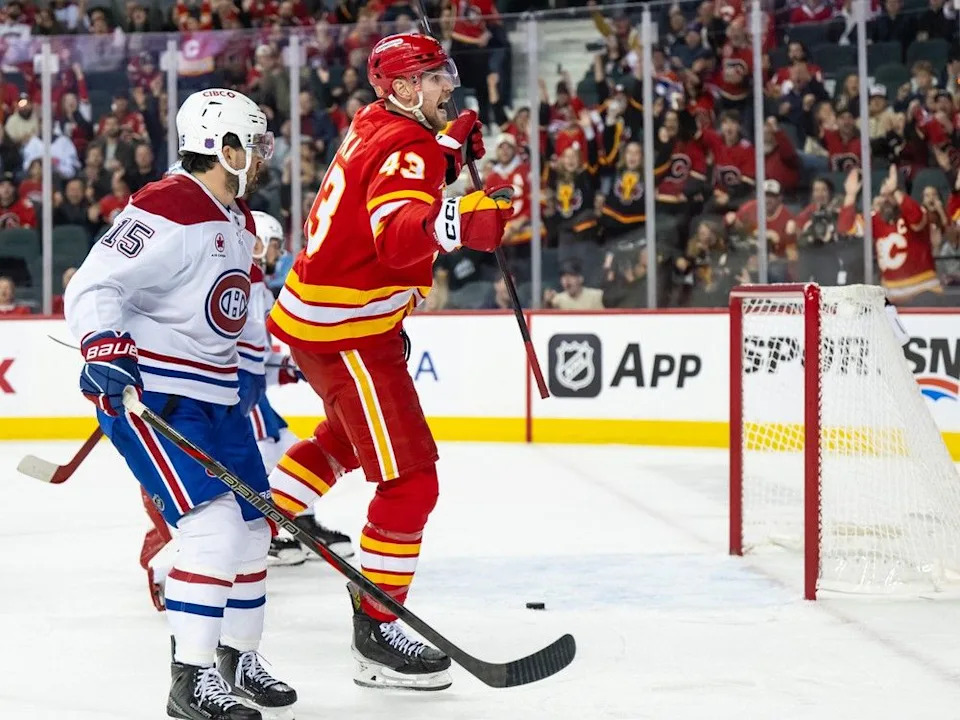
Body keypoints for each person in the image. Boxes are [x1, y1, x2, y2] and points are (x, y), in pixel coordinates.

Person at [265, 33, 513, 691]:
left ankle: (260, 525)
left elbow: (399, 175)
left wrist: (448, 151)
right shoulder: (404, 145)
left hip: (321, 319)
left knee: (344, 440)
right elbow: (399, 235)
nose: (446, 87)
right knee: (411, 481)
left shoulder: (380, 122)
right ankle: (378, 629)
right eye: (434, 77)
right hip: (350, 333)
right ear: (403, 88)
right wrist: (457, 224)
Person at [64, 88, 296, 720]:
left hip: (218, 400)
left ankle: (237, 657)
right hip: (158, 397)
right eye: (253, 141)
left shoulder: (240, 220)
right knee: (213, 528)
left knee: (253, 529)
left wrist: (290, 350)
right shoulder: (168, 205)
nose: (263, 152)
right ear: (223, 148)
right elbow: (94, 282)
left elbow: (241, 315)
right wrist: (105, 344)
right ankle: (190, 679)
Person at [837, 165, 942, 304]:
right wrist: (850, 195)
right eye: (882, 195)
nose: (885, 200)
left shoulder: (914, 211)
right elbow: (846, 227)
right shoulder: (875, 219)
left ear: (900, 196)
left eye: (890, 195)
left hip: (925, 292)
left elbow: (917, 219)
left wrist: (896, 191)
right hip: (892, 297)